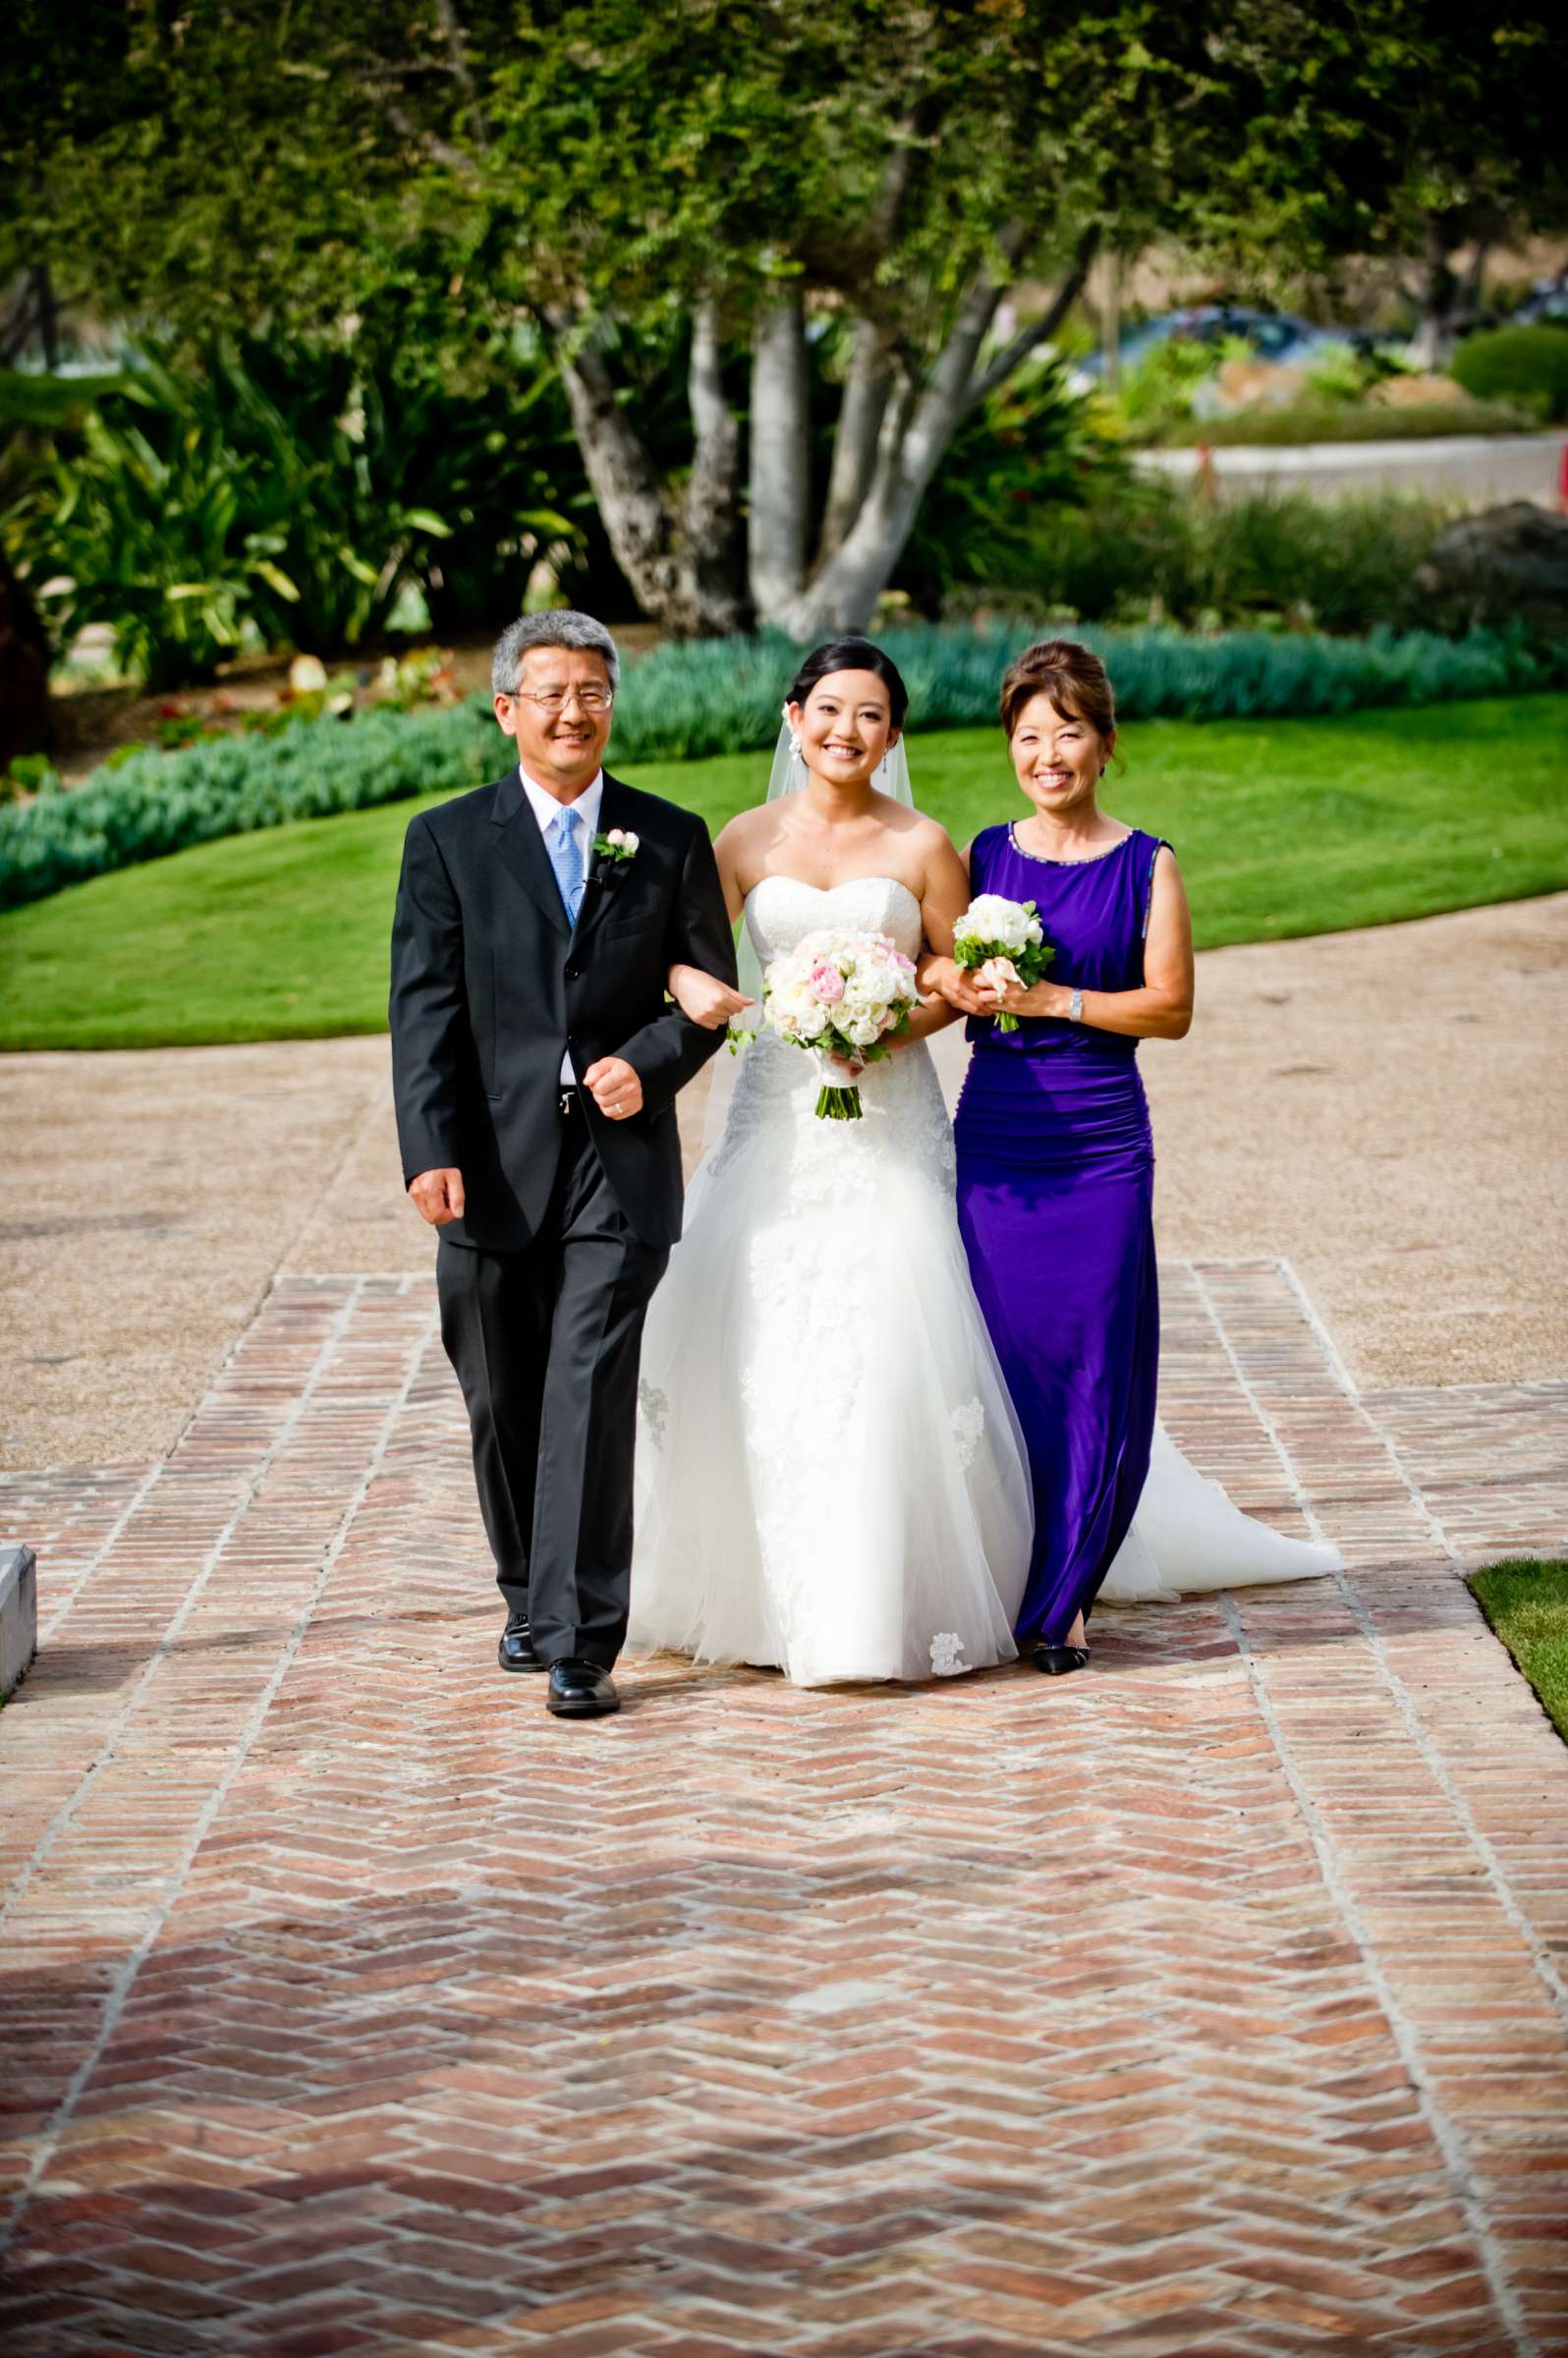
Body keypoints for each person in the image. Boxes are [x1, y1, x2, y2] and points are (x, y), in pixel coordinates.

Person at [924, 638, 1340, 1675]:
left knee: (1095, 1361)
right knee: (1005, 1357)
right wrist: (959, 984)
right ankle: (1014, 1567)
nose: (1048, 753)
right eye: (1029, 735)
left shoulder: (1148, 862)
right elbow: (943, 967)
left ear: (1106, 745)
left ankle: (1068, 1594)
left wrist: (1055, 999)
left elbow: (1173, 1007)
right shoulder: (986, 855)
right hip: (999, 1138)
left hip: (1102, 1143)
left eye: (1068, 732)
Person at [627, 640, 1034, 1686]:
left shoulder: (925, 843)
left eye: (871, 716)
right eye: (830, 710)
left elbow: (958, 970)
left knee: (895, 1327)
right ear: (794, 717)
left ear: (893, 735)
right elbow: (678, 953)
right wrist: (714, 991)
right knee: (763, 1328)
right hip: (775, 1119)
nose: (848, 732)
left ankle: (883, 1598)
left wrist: (894, 1024)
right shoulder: (741, 840)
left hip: (889, 1118)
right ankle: (762, 1591)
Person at [389, 611, 736, 1720]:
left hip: (616, 1167)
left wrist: (649, 1059)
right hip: (486, 1164)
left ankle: (580, 1640)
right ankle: (525, 1593)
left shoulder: (669, 835)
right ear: (507, 711)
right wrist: (429, 1149)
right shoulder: (445, 841)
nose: (574, 711)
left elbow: (708, 996)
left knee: (588, 1389)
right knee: (502, 1395)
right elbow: (424, 1014)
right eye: (551, 694)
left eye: (593, 691)